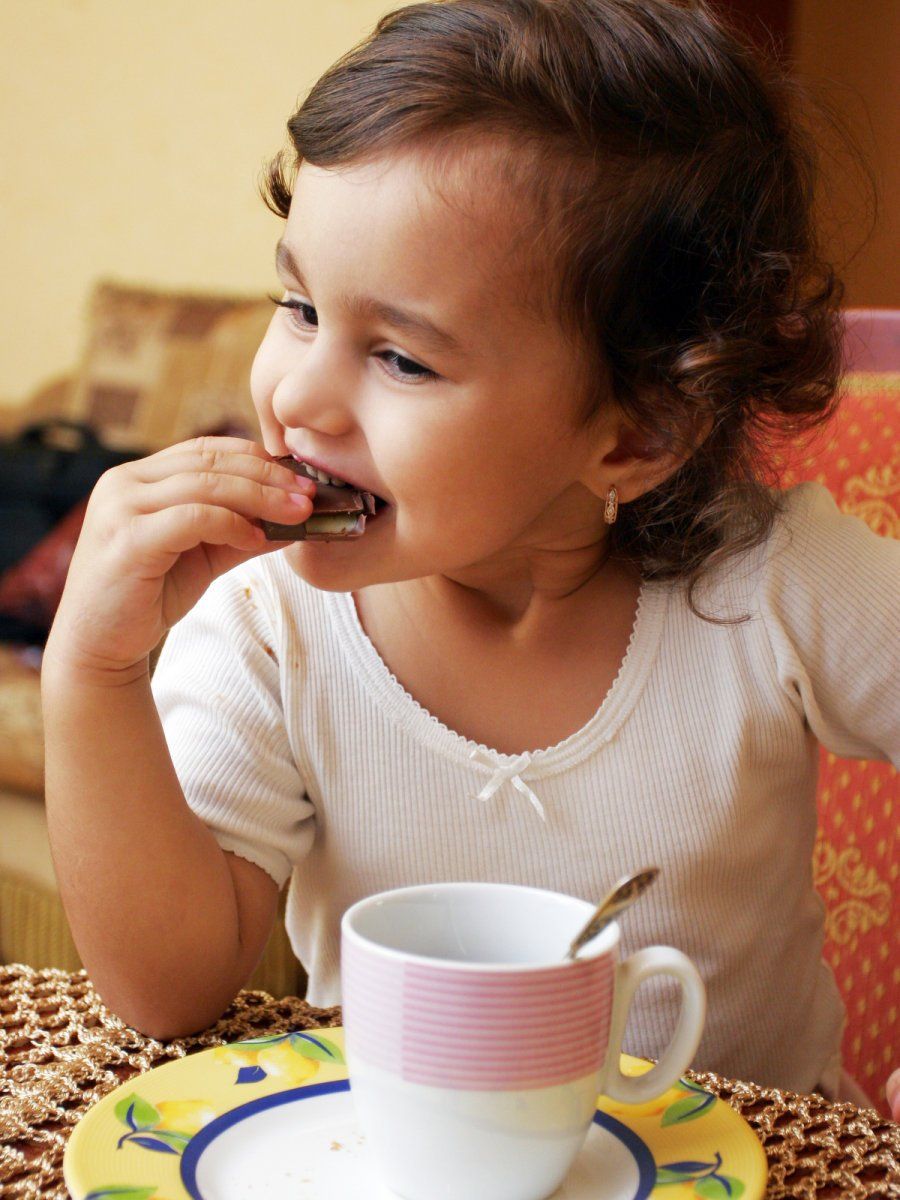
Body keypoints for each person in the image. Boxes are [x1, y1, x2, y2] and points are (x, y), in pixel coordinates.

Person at [42, 0, 898, 1110]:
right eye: (299, 305)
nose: (295, 396)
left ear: (633, 432)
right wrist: (94, 678)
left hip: (769, 1169)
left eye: (399, 358)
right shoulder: (267, 620)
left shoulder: (772, 584)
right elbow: (167, 992)